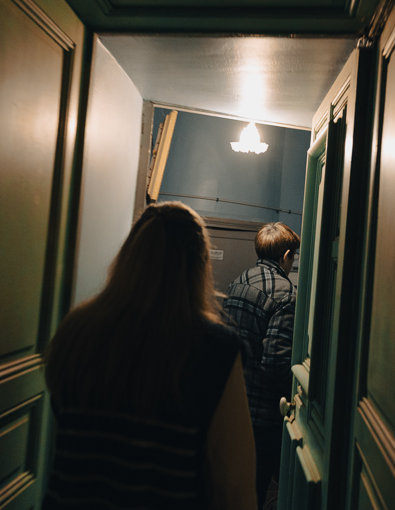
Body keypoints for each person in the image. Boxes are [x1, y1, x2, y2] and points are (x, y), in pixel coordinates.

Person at [43, 201, 257, 510]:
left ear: (129, 254)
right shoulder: (213, 349)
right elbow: (235, 489)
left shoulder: (75, 330)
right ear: (198, 265)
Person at [222, 222, 300, 509]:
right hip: (263, 416)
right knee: (255, 492)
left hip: (232, 405)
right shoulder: (285, 293)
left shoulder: (239, 281)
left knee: (231, 489)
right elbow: (277, 360)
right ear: (286, 255)